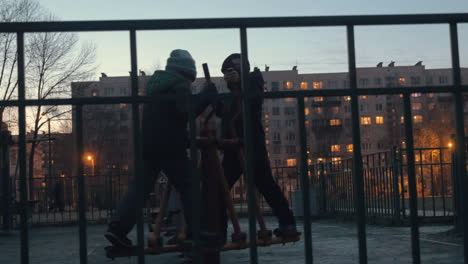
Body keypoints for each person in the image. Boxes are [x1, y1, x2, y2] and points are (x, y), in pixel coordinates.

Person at [105, 49, 217, 248]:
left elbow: (170, 112)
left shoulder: (157, 85)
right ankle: (197, 232)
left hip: (148, 144)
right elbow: (185, 111)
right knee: (189, 184)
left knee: (140, 188)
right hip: (170, 144)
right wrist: (205, 96)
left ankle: (117, 229)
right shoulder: (179, 85)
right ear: (188, 72)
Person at [213, 53, 299, 242]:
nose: (230, 74)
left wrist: (240, 84)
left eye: (234, 70)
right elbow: (226, 114)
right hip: (232, 148)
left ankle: (288, 225)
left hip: (252, 146)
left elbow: (253, 100)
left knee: (266, 185)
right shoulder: (232, 95)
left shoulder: (252, 81)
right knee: (220, 190)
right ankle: (218, 231)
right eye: (226, 72)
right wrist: (213, 98)